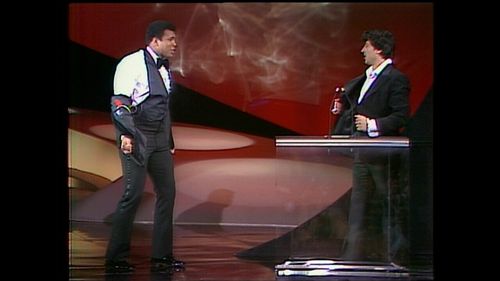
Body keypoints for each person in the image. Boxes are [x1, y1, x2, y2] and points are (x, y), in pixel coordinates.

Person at [105, 20, 185, 274]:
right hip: (137, 134)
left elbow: (163, 108)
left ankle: (162, 256)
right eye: (170, 39)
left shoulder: (164, 68)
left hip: (159, 139)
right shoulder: (131, 64)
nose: (175, 43)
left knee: (168, 192)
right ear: (154, 41)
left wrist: (169, 141)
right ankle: (116, 257)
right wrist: (127, 134)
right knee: (133, 195)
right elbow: (120, 103)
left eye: (175, 39)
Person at [331, 29, 410, 263]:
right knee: (358, 207)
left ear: (378, 48)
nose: (362, 50)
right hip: (362, 153)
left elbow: (401, 117)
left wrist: (372, 125)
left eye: (366, 46)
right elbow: (356, 108)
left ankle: (396, 256)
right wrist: (341, 110)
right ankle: (353, 255)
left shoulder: (396, 79)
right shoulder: (363, 79)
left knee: (388, 206)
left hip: (382, 155)